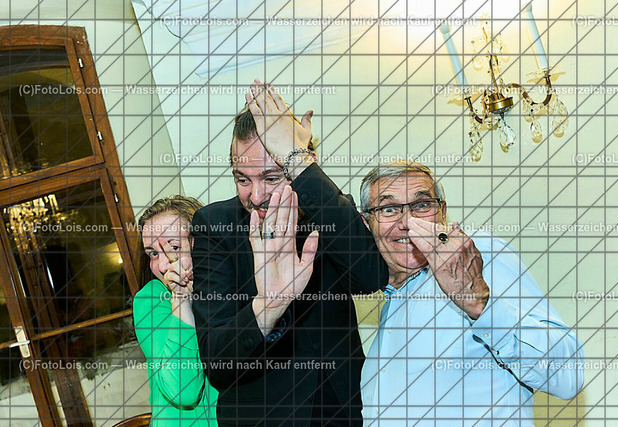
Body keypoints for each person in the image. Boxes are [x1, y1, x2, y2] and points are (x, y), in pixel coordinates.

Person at [190, 80, 389, 426]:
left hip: (345, 410)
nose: (256, 196)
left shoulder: (325, 211)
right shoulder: (214, 226)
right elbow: (217, 364)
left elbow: (372, 275)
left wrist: (300, 162)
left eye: (271, 178)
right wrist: (269, 306)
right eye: (242, 179)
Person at [359, 160, 584, 426]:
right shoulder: (390, 301)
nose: (407, 222)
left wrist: (480, 303)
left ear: (442, 212)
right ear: (367, 222)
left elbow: (568, 374)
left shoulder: (477, 254)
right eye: (388, 209)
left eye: (422, 205)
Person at [133, 196, 219, 426]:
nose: (162, 266)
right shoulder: (151, 299)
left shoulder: (228, 288)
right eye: (153, 253)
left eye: (174, 247)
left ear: (201, 242)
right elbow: (183, 391)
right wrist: (181, 302)